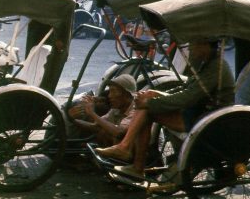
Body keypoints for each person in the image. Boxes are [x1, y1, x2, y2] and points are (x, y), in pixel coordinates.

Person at [95, 38, 235, 179]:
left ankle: (131, 157)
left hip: (207, 118)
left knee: (147, 109)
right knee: (147, 103)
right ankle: (129, 154)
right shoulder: (205, 64)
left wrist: (151, 103)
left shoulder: (216, 67)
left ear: (205, 45)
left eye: (193, 45)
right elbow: (184, 89)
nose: (190, 50)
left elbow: (188, 97)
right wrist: (156, 94)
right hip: (197, 112)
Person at [71, 75, 137, 147]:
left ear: (126, 94)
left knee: (104, 132)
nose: (109, 96)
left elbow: (119, 132)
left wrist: (92, 113)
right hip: (114, 146)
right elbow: (96, 126)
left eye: (113, 91)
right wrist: (71, 118)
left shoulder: (135, 109)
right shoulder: (115, 109)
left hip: (130, 149)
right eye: (110, 91)